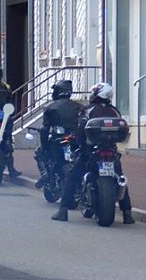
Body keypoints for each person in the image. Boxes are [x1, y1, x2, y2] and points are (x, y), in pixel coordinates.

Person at [52, 82, 134, 223]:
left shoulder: (88, 110)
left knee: (72, 177)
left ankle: (63, 211)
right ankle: (127, 214)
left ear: (97, 94)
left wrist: (81, 148)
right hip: (110, 151)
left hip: (91, 152)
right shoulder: (114, 111)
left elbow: (81, 132)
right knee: (120, 178)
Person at [35, 79, 82, 188]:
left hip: (58, 139)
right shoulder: (79, 107)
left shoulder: (51, 107)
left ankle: (45, 174)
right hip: (75, 139)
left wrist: (45, 145)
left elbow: (45, 128)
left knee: (40, 152)